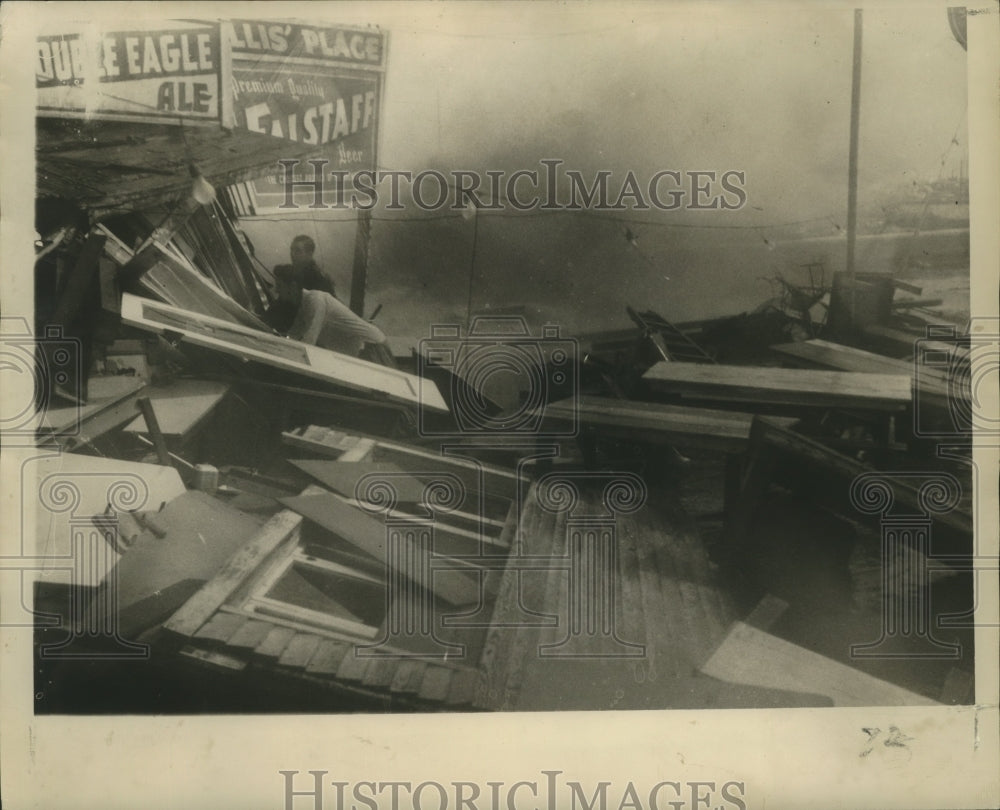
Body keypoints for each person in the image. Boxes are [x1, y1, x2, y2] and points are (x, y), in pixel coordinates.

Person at [274, 265, 388, 358]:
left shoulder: (315, 300)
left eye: (279, 286)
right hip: (359, 354)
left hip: (372, 348)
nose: (276, 290)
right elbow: (292, 335)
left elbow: (309, 341)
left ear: (293, 286)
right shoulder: (303, 306)